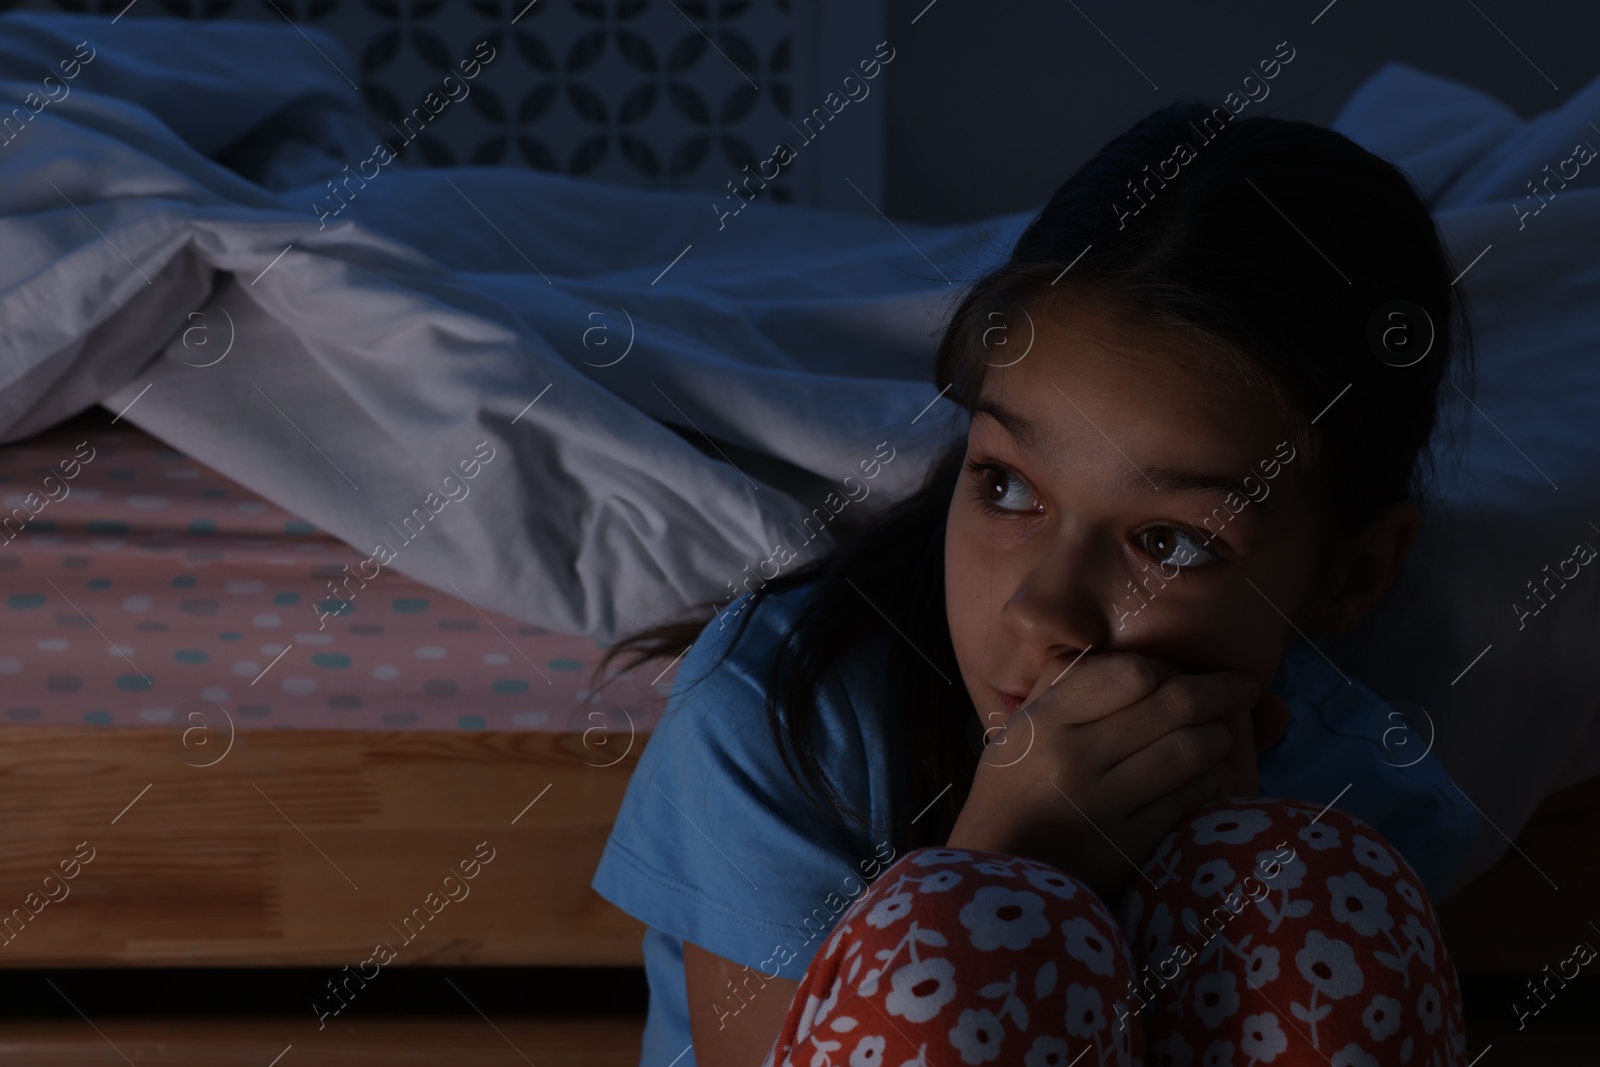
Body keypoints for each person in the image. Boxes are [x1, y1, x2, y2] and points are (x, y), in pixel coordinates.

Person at [590, 97, 1480, 1067]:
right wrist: (1009, 859)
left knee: (1295, 881)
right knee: (975, 927)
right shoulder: (782, 710)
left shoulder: (1354, 801)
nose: (1041, 608)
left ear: (1352, 572)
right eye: (1006, 485)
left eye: (1170, 544)